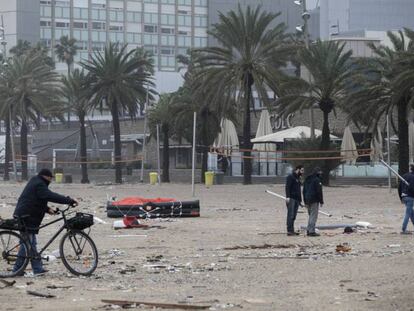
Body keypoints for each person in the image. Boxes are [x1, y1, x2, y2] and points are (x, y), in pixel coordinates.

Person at [13, 168, 78, 275]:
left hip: (26, 214)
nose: (50, 181)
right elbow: (49, 195)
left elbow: (35, 200)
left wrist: (48, 209)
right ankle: (17, 270)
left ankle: (37, 269)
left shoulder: (36, 181)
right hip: (26, 216)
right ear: (46, 176)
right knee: (27, 244)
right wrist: (69, 201)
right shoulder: (39, 184)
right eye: (50, 178)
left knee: (32, 243)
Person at [303, 167, 324, 237]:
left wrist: (305, 201)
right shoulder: (317, 180)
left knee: (310, 215)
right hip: (314, 200)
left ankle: (309, 230)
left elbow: (304, 191)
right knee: (313, 216)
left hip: (307, 199)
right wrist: (321, 201)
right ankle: (311, 231)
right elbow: (319, 191)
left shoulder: (307, 179)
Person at [285, 165, 304, 236]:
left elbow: (298, 190)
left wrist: (300, 201)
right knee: (290, 214)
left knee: (294, 216)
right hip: (291, 198)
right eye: (301, 170)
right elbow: (287, 187)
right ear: (297, 170)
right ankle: (289, 230)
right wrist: (288, 197)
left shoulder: (298, 178)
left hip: (297, 199)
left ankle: (292, 230)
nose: (302, 172)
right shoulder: (290, 177)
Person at [398, 164, 414, 234]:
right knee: (408, 213)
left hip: (404, 196)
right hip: (410, 197)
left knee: (411, 212)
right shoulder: (413, 177)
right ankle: (404, 229)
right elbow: (412, 188)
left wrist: (401, 198)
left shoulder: (405, 175)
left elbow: (399, 187)